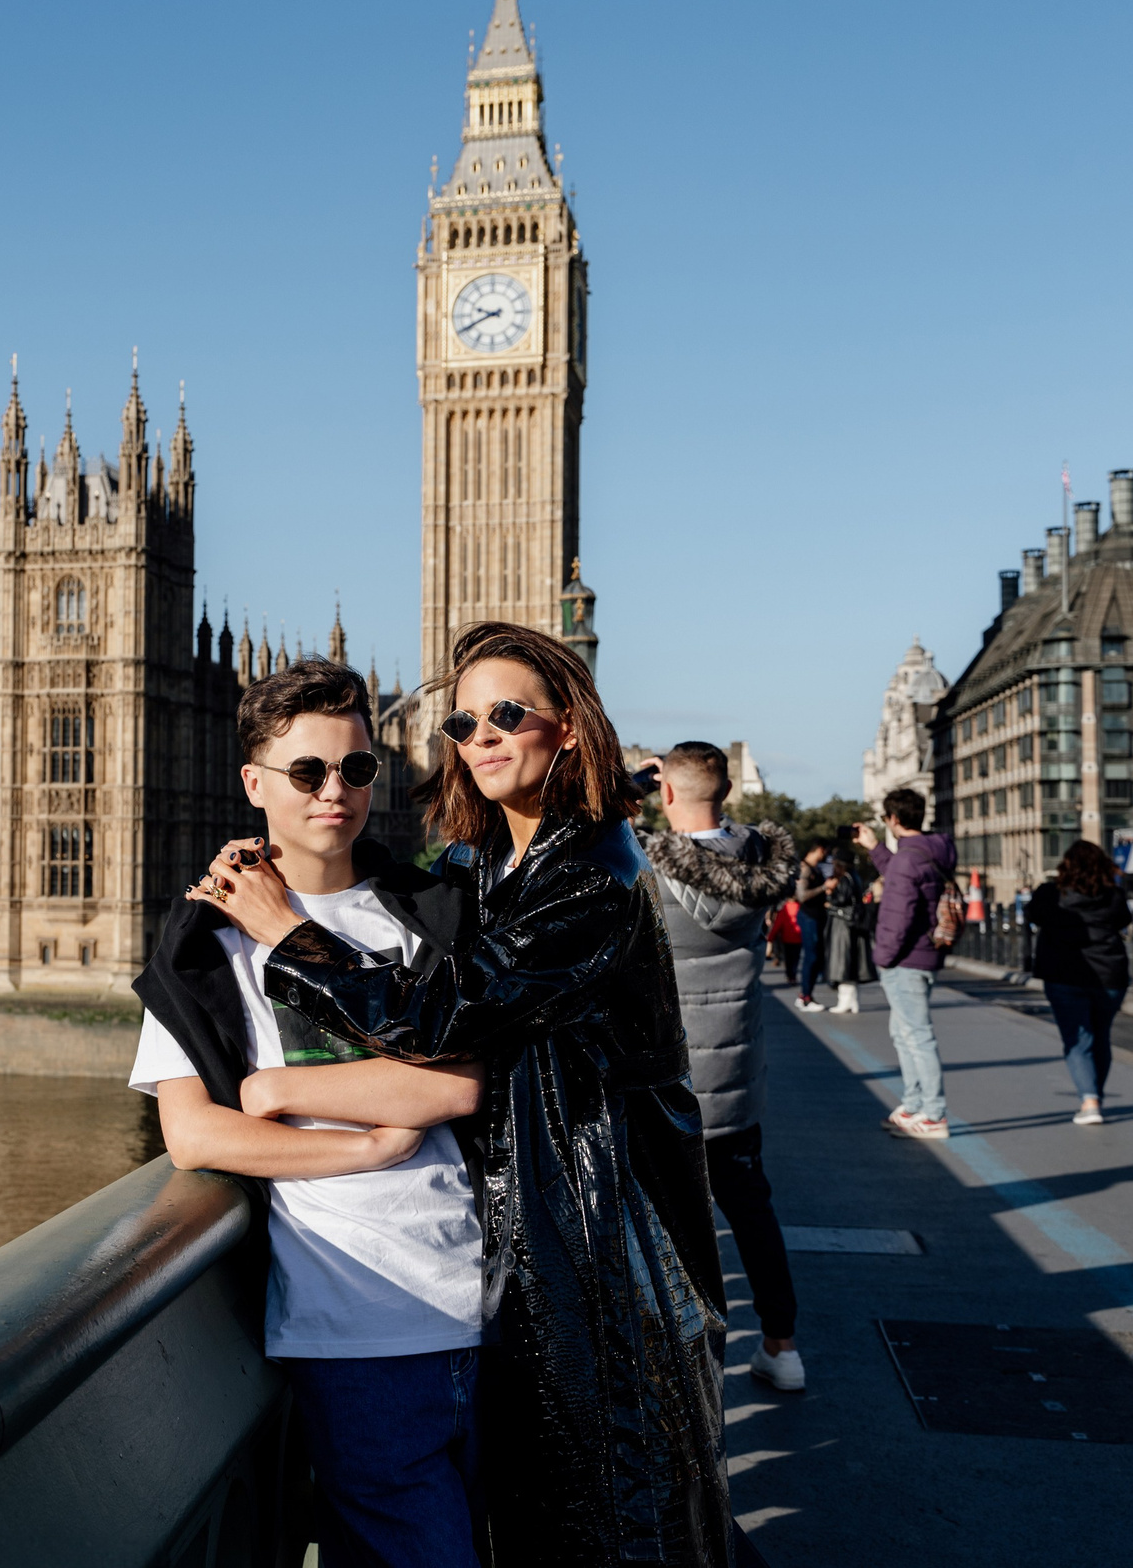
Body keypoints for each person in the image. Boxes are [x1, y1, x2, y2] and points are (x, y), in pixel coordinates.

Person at [203, 621, 730, 1566]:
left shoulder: (590, 879)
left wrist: (289, 939)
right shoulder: (493, 863)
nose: (480, 735)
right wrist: (273, 866)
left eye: (507, 714)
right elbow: (408, 894)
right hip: (533, 1253)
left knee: (618, 1525)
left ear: (565, 728)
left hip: (609, 1256)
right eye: (462, 721)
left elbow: (449, 1010)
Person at [133, 656, 487, 1568]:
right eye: (308, 771)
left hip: (499, 1309)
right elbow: (195, 1132)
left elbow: (457, 1085)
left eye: (358, 770)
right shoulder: (202, 947)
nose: (337, 790)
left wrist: (282, 1089)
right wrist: (366, 1149)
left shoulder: (435, 912)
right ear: (254, 783)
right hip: (361, 1324)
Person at [641, 742, 806, 1393]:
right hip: (738, 1080)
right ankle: (782, 1346)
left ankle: (688, 1365)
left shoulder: (644, 869)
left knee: (671, 1231)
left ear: (667, 792)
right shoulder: (761, 865)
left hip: (669, 1083)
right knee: (754, 1214)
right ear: (730, 789)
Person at [855, 787, 957, 1140]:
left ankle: (934, 1113)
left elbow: (898, 914)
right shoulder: (930, 851)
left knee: (916, 1035)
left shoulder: (907, 859)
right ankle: (914, 1104)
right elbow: (903, 876)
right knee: (905, 1033)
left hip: (905, 959)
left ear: (894, 819)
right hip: (925, 954)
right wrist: (875, 849)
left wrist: (881, 958)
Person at [1025, 839, 1132, 1125]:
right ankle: (1095, 1095)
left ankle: (1089, 1099)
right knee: (1101, 1036)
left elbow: (1032, 915)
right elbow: (1124, 920)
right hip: (1109, 974)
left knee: (1077, 1039)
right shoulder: (1113, 895)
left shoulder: (1050, 893)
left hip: (1063, 974)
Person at [816, 852, 876, 1013]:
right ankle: (852, 1001)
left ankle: (845, 1001)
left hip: (843, 923)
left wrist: (830, 897)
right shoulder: (855, 876)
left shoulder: (844, 879)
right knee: (852, 962)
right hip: (854, 923)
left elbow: (842, 899)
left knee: (843, 962)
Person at [791, 840, 834, 1010]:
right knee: (811, 956)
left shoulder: (815, 869)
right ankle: (805, 996)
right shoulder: (805, 868)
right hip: (809, 916)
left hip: (817, 915)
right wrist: (824, 887)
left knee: (817, 956)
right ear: (820, 850)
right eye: (826, 852)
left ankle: (808, 994)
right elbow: (801, 896)